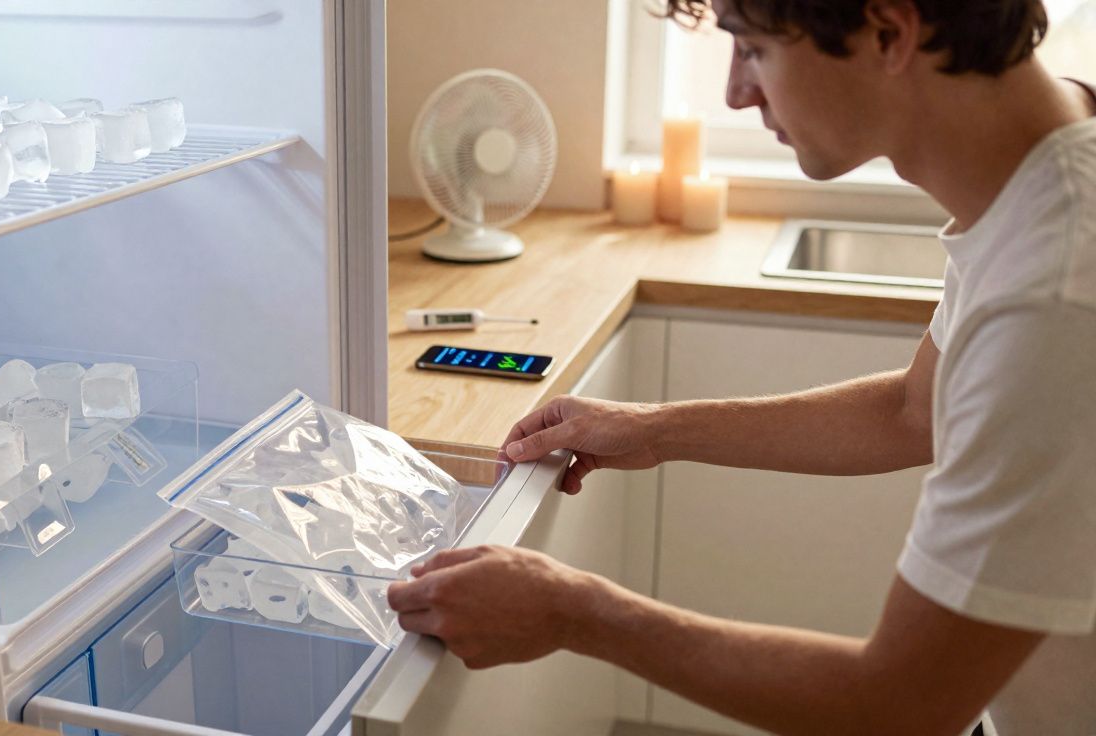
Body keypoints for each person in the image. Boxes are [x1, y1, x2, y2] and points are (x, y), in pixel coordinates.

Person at [386, 1, 1096, 733]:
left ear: (889, 33)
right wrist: (655, 430)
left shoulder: (1058, 293)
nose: (736, 92)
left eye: (752, 48)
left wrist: (573, 611)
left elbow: (901, 704)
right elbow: (917, 410)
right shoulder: (1040, 173)